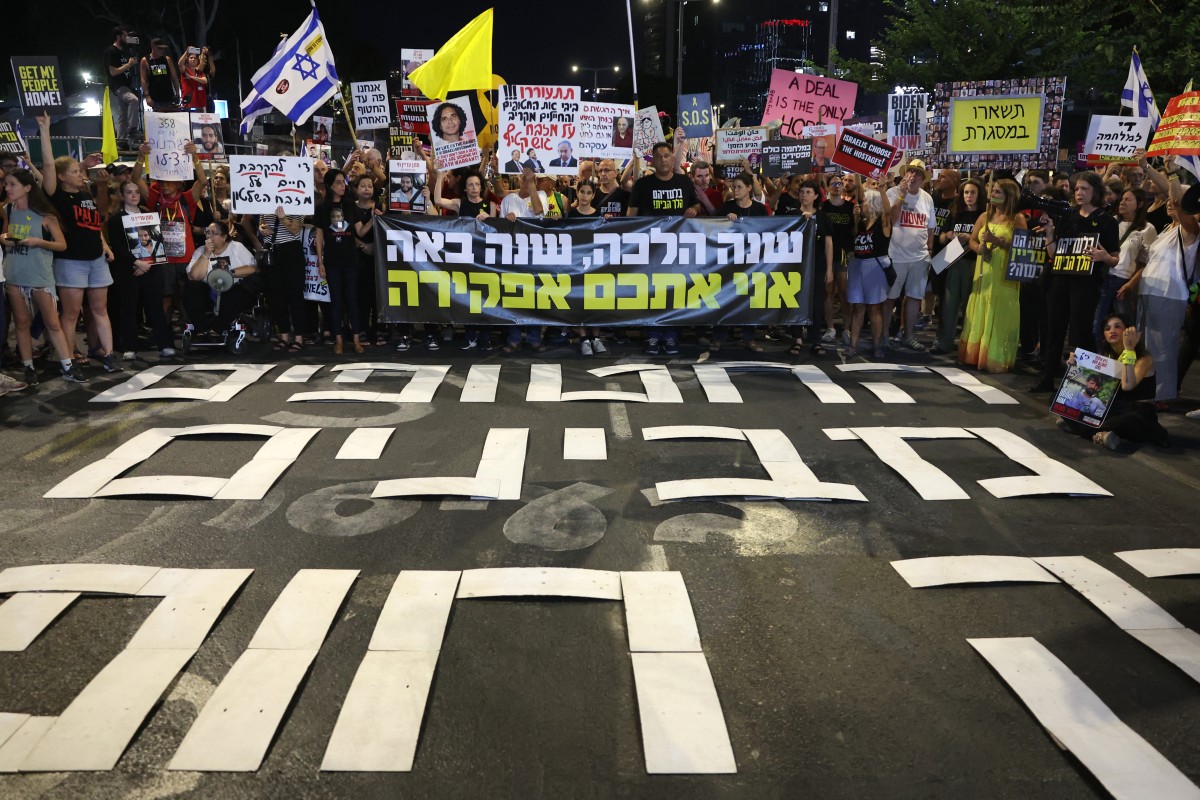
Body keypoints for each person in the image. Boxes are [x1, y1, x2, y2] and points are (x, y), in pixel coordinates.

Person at [36, 114, 119, 373]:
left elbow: (96, 221)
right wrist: (45, 129)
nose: (80, 174)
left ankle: (109, 355)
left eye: (78, 170)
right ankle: (68, 358)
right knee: (71, 314)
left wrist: (104, 244)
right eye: (74, 172)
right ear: (61, 177)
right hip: (71, 262)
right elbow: (49, 165)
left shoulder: (84, 194)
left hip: (95, 259)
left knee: (100, 309)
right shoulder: (56, 195)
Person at [1032, 172, 1121, 392]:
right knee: (1055, 330)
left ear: (1096, 192)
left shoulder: (1106, 220)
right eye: (1077, 189)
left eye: (1085, 189)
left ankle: (1083, 382)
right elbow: (1054, 253)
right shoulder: (1067, 216)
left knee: (1082, 332)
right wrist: (1050, 233)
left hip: (1086, 284)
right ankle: (1047, 377)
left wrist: (1104, 257)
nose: (1080, 193)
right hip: (1060, 280)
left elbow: (1115, 259)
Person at [0, 169, 84, 384]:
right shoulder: (7, 209)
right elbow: (5, 234)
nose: (7, 188)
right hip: (14, 273)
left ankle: (68, 364)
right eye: (6, 184)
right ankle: (28, 367)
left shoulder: (46, 216)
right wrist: (6, 238)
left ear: (27, 187)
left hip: (40, 275)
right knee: (21, 322)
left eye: (12, 185)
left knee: (52, 322)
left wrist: (39, 242)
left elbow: (62, 244)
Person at [627, 142, 700, 356]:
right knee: (652, 293)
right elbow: (630, 215)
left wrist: (693, 210)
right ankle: (651, 333)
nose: (663, 160)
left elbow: (695, 204)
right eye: (658, 156)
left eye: (667, 156)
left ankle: (671, 334)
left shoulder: (684, 182)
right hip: (650, 250)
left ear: (672, 157)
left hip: (678, 249)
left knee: (675, 293)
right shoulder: (642, 184)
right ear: (653, 159)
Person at [1055, 314, 1169, 449]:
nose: (1112, 330)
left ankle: (1083, 429)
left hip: (1139, 412)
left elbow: (1128, 385)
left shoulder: (1144, 358)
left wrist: (1129, 350)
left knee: (1125, 421)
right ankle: (1098, 433)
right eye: (1107, 328)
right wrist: (1075, 368)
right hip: (1117, 407)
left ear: (1128, 330)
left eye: (1117, 326)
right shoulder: (1106, 356)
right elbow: (1094, 388)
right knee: (1058, 399)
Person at [1135, 180, 1198, 403]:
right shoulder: (1165, 229)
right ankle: (1146, 389)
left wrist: (1171, 178)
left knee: (1162, 348)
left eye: (1176, 199)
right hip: (1149, 292)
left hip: (1170, 294)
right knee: (1145, 346)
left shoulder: (1191, 231)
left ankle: (1162, 395)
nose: (1171, 203)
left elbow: (1179, 204)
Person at [958, 179, 1026, 373]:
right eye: (992, 191)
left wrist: (998, 241)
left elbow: (1022, 248)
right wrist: (978, 248)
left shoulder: (1017, 219)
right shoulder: (984, 216)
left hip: (1004, 275)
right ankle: (975, 354)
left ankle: (995, 357)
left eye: (997, 192)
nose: (991, 195)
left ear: (1009, 196)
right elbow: (972, 240)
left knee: (1000, 312)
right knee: (980, 307)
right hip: (984, 272)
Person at [107, 181, 173, 358]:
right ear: (122, 195)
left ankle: (164, 345)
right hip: (129, 270)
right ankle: (129, 347)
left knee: (156, 307)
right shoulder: (115, 219)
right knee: (129, 308)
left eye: (136, 192)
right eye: (129, 192)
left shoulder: (149, 215)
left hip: (151, 268)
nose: (134, 195)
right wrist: (136, 263)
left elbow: (157, 241)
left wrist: (147, 263)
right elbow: (118, 247)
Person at [884, 160, 938, 352]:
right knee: (890, 298)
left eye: (918, 174)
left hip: (919, 257)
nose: (913, 176)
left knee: (915, 297)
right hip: (896, 255)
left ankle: (908, 335)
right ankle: (883, 336)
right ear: (905, 175)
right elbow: (892, 218)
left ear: (923, 179)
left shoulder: (927, 198)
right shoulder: (892, 192)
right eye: (910, 172)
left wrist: (929, 252)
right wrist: (902, 194)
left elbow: (930, 228)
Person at [314, 169, 363, 355]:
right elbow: (319, 236)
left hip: (351, 260)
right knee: (335, 302)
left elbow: (360, 230)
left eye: (344, 181)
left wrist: (374, 219)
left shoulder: (351, 205)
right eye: (338, 182)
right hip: (332, 261)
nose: (343, 185)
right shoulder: (322, 208)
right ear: (330, 185)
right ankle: (339, 340)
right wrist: (320, 261)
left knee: (352, 299)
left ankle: (357, 339)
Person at [932, 178, 984, 354]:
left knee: (970, 307)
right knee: (949, 305)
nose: (968, 196)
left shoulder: (984, 215)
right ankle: (944, 342)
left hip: (974, 264)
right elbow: (940, 238)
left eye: (972, 192)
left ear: (980, 194)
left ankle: (968, 346)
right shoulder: (955, 212)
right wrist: (948, 235)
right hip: (953, 261)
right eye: (966, 192)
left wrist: (970, 238)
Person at [1097, 188, 1155, 340]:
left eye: (1128, 199)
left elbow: (1146, 263)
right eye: (1122, 199)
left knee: (1125, 327)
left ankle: (1126, 362)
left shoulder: (1147, 229)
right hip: (1103, 277)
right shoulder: (1111, 221)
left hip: (1124, 282)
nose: (1122, 202)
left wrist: (1130, 285)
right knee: (1097, 325)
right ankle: (1098, 361)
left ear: (1140, 204)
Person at [499, 168, 546, 354]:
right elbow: (500, 227)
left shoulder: (540, 195)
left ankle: (534, 338)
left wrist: (532, 183)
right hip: (513, 256)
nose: (525, 180)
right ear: (517, 179)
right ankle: (514, 339)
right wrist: (507, 220)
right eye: (522, 177)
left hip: (536, 256)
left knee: (535, 297)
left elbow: (538, 210)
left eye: (529, 177)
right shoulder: (507, 200)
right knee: (514, 297)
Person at [185, 221, 259, 334]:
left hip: (233, 287)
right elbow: (194, 276)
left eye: (213, 233)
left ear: (224, 237)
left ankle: (219, 326)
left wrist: (228, 273)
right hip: (209, 290)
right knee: (190, 287)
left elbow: (253, 268)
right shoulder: (201, 251)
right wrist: (206, 254)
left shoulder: (236, 247)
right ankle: (202, 326)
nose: (209, 236)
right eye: (207, 232)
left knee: (238, 293)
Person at [845, 188, 892, 359]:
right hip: (858, 265)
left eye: (864, 201)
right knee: (857, 307)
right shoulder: (861, 223)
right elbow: (852, 238)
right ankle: (853, 344)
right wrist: (856, 218)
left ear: (872, 203)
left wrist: (882, 190)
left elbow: (888, 211)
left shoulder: (883, 222)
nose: (861, 203)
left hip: (875, 267)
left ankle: (877, 345)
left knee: (874, 308)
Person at [105, 27, 141, 149]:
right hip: (118, 86)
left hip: (126, 85)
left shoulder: (123, 52)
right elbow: (113, 72)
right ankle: (132, 129)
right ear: (118, 36)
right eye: (125, 36)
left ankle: (121, 141)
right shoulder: (111, 51)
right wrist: (128, 65)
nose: (127, 38)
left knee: (122, 114)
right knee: (134, 100)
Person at [140, 38, 180, 111]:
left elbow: (174, 78)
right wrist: (147, 96)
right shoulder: (145, 60)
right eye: (160, 48)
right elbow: (143, 80)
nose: (162, 51)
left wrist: (177, 94)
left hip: (169, 95)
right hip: (155, 98)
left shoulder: (167, 59)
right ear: (153, 47)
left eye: (163, 49)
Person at [178, 47, 213, 111]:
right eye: (191, 58)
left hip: (201, 105)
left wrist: (191, 77)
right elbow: (180, 64)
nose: (193, 59)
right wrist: (187, 52)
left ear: (197, 61)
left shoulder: (199, 72)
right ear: (187, 60)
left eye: (195, 58)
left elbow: (205, 81)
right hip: (189, 106)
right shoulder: (185, 71)